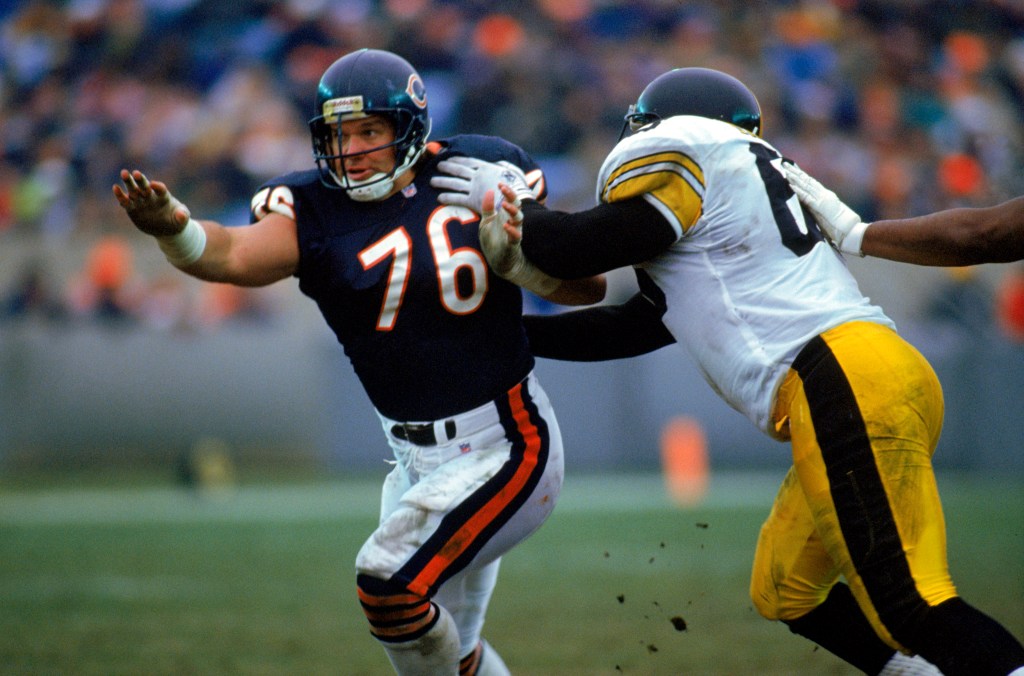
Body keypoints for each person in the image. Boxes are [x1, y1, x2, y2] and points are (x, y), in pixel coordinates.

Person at [432, 67, 1024, 676]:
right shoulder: (731, 198)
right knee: (788, 588)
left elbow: (577, 248)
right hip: (872, 373)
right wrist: (503, 337)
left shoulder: (687, 146)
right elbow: (639, 324)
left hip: (841, 378)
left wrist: (512, 207)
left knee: (911, 604)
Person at [113, 48, 605, 676]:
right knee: (454, 654)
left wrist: (518, 252)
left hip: (507, 444)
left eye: (369, 130)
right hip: (413, 461)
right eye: (338, 134)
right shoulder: (313, 207)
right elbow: (233, 254)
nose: (352, 149)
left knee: (388, 587)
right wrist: (174, 229)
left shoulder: (480, 169)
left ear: (411, 124)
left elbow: (584, 286)